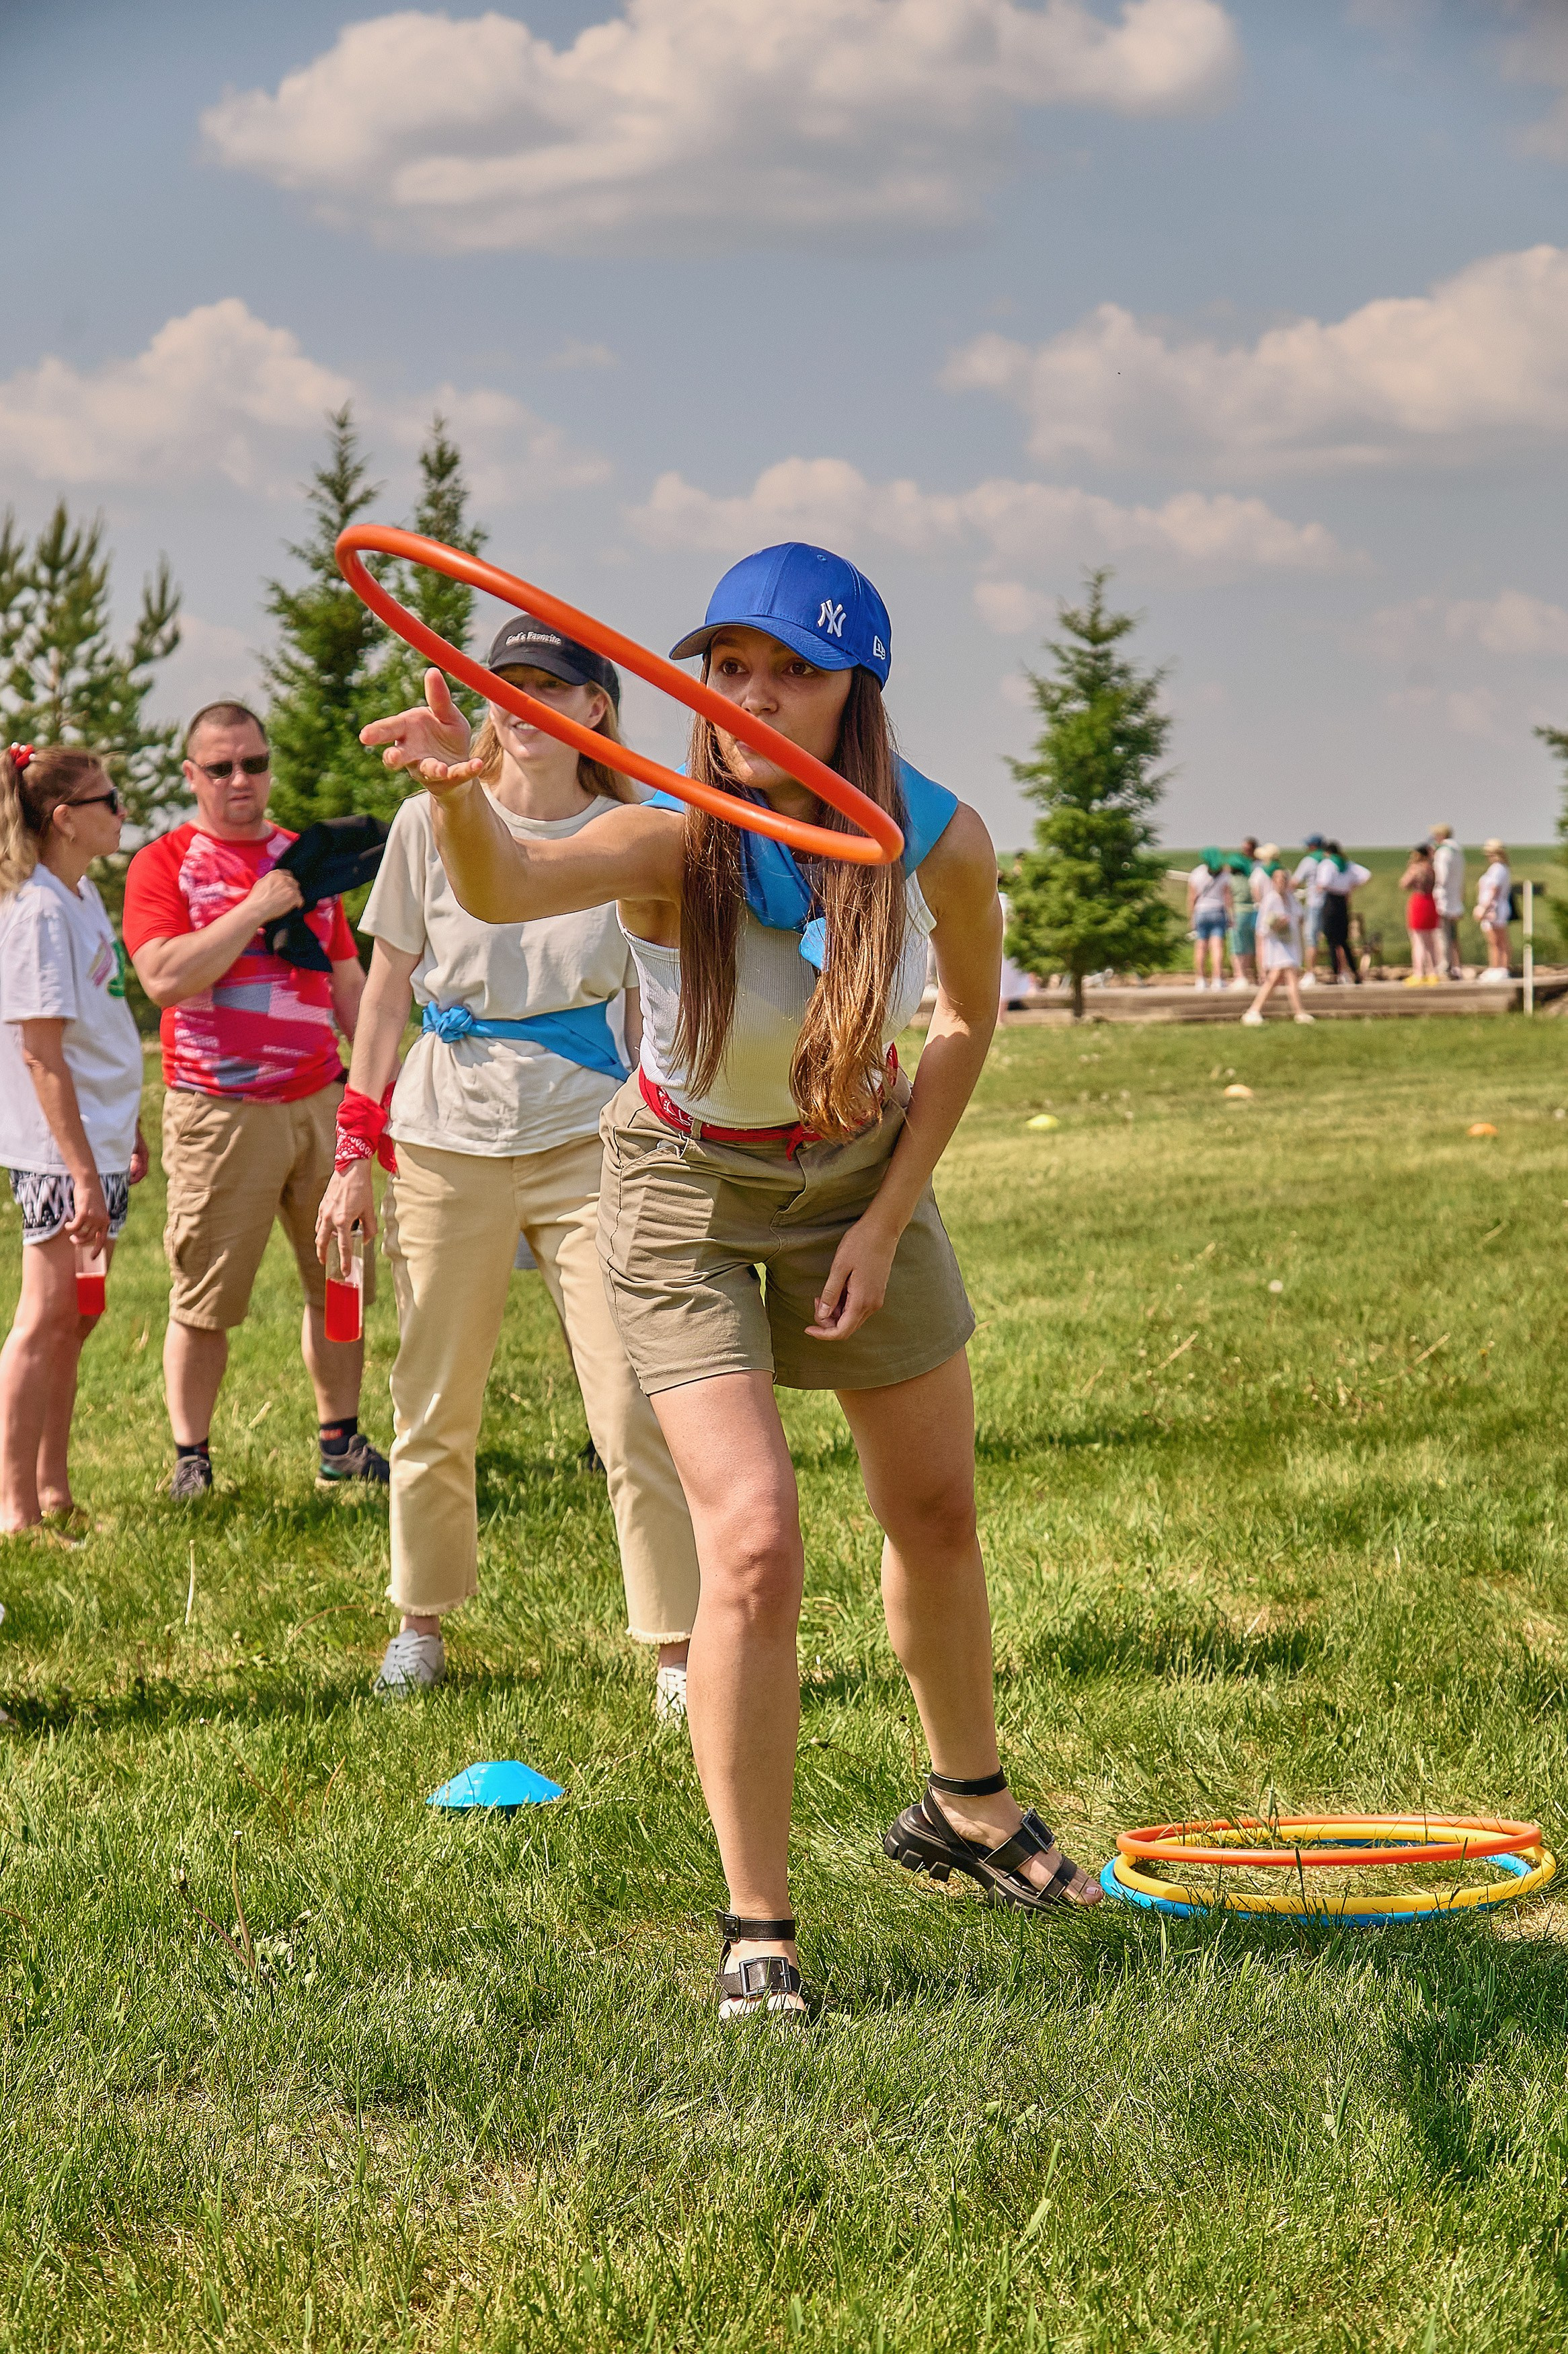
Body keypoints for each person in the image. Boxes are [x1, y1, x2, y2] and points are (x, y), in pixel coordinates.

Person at [361, 541, 1103, 2020]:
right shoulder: (668, 838)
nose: (753, 695)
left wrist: (890, 1215)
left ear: (856, 694)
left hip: (853, 1178)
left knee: (936, 1510)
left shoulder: (936, 839)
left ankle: (965, 1804)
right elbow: (514, 884)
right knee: (755, 1541)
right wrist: (455, 799)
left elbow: (960, 1015)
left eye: (793, 671)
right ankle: (756, 1926)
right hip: (681, 1186)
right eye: (730, 667)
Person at [315, 619, 701, 1709]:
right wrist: (358, 1145)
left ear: (594, 712)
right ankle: (420, 1626)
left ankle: (676, 1649)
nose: (521, 704)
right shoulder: (426, 821)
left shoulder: (633, 831)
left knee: (630, 1399)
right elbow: (387, 990)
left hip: (593, 1136)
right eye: (505, 684)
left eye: (548, 686)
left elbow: (660, 998)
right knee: (432, 1400)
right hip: (446, 1137)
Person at [122, 702, 389, 1499]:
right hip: (218, 1111)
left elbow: (349, 983)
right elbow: (165, 977)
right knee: (206, 1294)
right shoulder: (164, 862)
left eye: (255, 763)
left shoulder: (309, 858)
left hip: (320, 1100)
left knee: (340, 1282)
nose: (243, 780)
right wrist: (252, 909)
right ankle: (191, 1459)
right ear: (190, 776)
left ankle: (340, 1443)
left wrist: (382, 1091)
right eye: (222, 767)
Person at [0, 748, 148, 1531]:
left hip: (99, 1139)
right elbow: (40, 1052)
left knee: (79, 1316)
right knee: (42, 1317)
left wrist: (131, 1128)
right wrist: (81, 1173)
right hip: (63, 1153)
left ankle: (54, 1486)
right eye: (109, 799)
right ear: (64, 817)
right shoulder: (37, 913)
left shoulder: (82, 895)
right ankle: (13, 1505)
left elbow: (104, 1025)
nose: (122, 811)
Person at [1241, 849, 1315, 1026]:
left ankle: (1255, 1011)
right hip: (1277, 945)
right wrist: (1277, 924)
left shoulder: (1291, 898)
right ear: (1273, 882)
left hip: (1290, 943)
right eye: (1278, 880)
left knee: (1277, 980)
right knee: (1287, 976)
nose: (1282, 883)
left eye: (1284, 880)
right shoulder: (1270, 899)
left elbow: (1299, 917)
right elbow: (1262, 927)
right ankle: (1298, 1012)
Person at [1317, 843, 1370, 985]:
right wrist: (1350, 886)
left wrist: (1322, 888)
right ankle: (1354, 972)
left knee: (1331, 940)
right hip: (1343, 902)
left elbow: (1324, 882)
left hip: (1331, 901)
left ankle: (1336, 973)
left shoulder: (1327, 864)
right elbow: (1366, 875)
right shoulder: (1347, 864)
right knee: (1344, 941)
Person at [1186, 850, 1231, 991]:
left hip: (1201, 911)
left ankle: (1201, 979)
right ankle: (1217, 979)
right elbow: (1227, 898)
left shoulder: (1196, 873)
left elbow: (1192, 897)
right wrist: (1231, 916)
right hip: (1218, 910)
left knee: (1201, 946)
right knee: (1217, 946)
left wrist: (1191, 916)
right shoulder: (1224, 875)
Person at [1400, 843, 1442, 984]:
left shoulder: (1415, 868)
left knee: (1418, 941)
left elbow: (1404, 884)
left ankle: (1419, 973)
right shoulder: (1432, 869)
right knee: (1431, 941)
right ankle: (1433, 972)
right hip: (1431, 901)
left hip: (1419, 901)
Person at [1430, 824, 1465, 981]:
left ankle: (1445, 966)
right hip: (1455, 897)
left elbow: (1441, 876)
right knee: (1453, 935)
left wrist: (1434, 885)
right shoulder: (1458, 852)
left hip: (1443, 898)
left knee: (1442, 935)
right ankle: (1457, 966)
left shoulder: (1443, 852)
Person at [1292, 834, 1328, 984]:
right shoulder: (1329, 859)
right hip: (1330, 903)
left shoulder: (1309, 861)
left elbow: (1295, 881)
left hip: (1314, 903)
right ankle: (1343, 971)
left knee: (1311, 938)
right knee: (1334, 939)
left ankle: (1310, 973)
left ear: (1313, 846)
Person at [1476, 839, 1512, 981]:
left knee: (1498, 940)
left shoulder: (1498, 869)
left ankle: (1501, 968)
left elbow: (1494, 890)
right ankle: (1495, 967)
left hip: (1495, 908)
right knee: (1494, 940)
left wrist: (1484, 908)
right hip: (1494, 907)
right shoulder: (1499, 868)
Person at [1227, 839, 1261, 987]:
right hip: (1250, 911)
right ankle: (1246, 974)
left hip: (1242, 911)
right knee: (1248, 945)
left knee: (1239, 945)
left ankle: (1241, 975)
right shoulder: (1255, 873)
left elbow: (1228, 897)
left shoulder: (1233, 879)